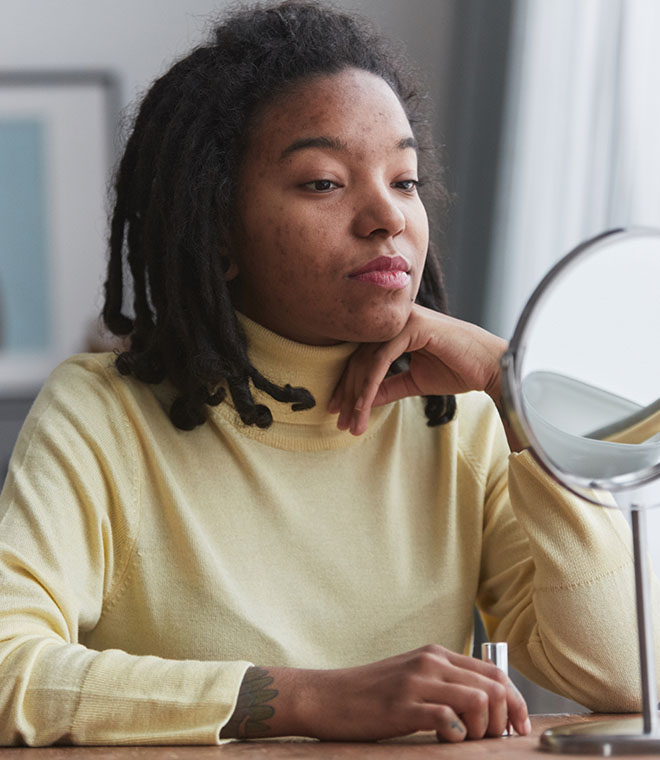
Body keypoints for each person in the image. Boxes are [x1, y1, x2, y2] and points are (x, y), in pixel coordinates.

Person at [0, 0, 655, 747]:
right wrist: (297, 700)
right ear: (219, 228)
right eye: (324, 183)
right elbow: (8, 666)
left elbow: (627, 677)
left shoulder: (462, 422)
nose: (387, 216)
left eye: (404, 180)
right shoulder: (104, 415)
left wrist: (517, 390)